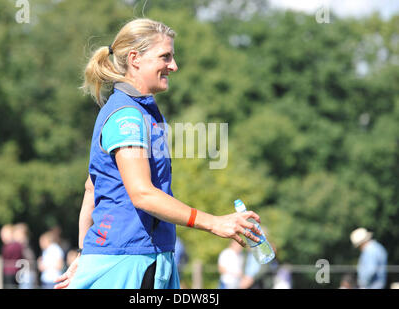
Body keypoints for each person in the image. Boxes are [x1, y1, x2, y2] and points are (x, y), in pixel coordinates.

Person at [54, 18, 262, 289]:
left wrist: (87, 252)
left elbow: (92, 189)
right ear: (135, 59)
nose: (173, 66)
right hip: (130, 262)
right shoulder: (127, 116)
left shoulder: (142, 113)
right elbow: (142, 194)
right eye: (165, 57)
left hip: (145, 258)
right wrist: (214, 223)